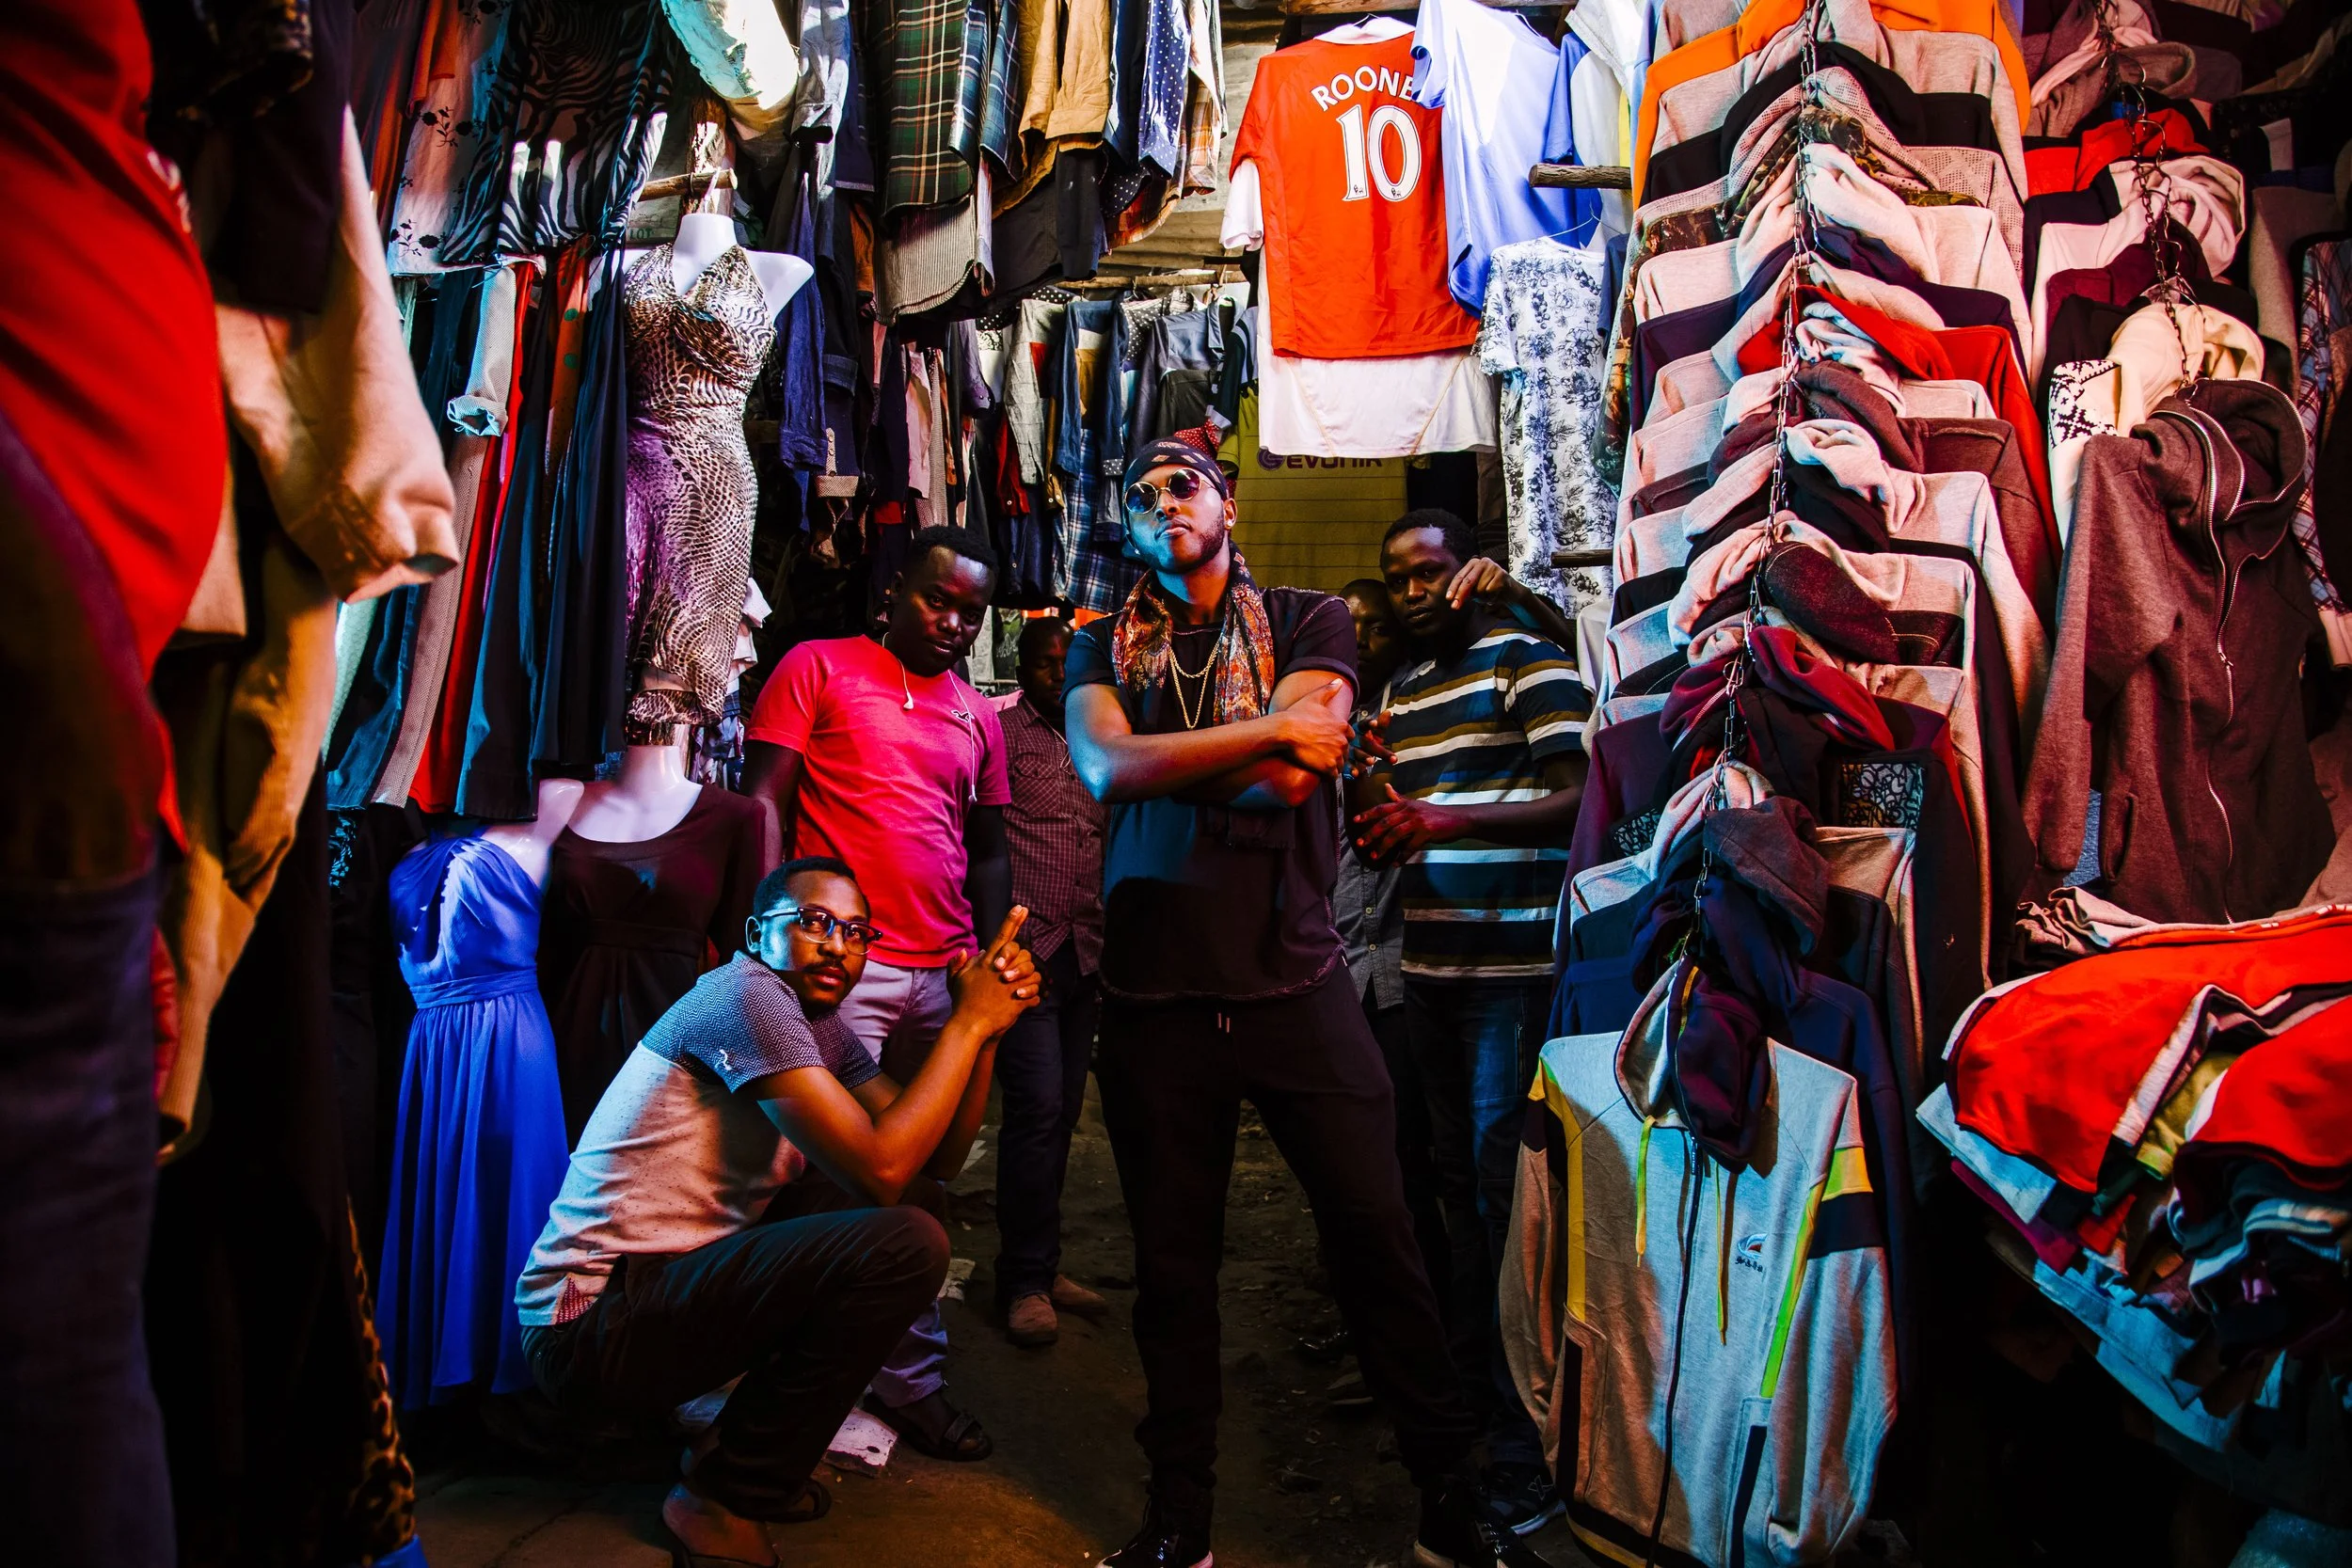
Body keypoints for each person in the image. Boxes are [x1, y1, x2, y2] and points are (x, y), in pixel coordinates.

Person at [1064, 431, 1550, 1568]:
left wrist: (1171, 752)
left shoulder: (1309, 616)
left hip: (1296, 984)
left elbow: (1297, 776)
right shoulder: (1098, 637)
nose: (1160, 503)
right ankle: (1179, 1518)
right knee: (1173, 1271)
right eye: (1139, 496)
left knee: (1380, 1240)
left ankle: (1449, 1502)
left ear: (1226, 501)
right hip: (1153, 1000)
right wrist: (1265, 727)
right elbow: (1101, 769)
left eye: (1181, 483)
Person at [514, 858, 1040, 1568]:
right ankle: (720, 1496)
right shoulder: (747, 996)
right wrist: (965, 1022)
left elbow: (932, 1162)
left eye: (856, 932)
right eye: (816, 922)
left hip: (657, 1294)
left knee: (914, 1203)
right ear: (758, 933)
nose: (838, 946)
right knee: (903, 1236)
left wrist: (983, 1030)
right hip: (587, 1327)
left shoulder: (817, 1023)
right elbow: (881, 1169)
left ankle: (728, 1450)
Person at [740, 523, 1011, 1461]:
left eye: (970, 612)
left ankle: (910, 1381)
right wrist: (770, 942)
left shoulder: (978, 715)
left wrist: (988, 951)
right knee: (819, 1181)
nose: (952, 622)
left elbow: (982, 846)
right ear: (893, 590)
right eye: (939, 599)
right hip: (837, 971)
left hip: (941, 973)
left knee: (923, 1181)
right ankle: (792, 1387)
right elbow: (764, 799)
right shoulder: (816, 667)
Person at [1348, 510, 1590, 1535]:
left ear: (1469, 576)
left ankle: (1516, 1438)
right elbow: (1386, 813)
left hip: (1510, 966)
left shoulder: (1523, 659)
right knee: (1453, 1189)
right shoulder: (1400, 689)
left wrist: (1445, 817)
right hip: (1434, 965)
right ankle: (1464, 1399)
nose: (1414, 590)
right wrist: (1371, 779)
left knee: (1498, 1195)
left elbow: (1577, 797)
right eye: (1398, 575)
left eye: (1431, 571)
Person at [1325, 580, 1449, 1365]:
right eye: (1350, 629)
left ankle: (1422, 1342)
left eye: (1375, 628)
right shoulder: (1325, 726)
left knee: (1413, 1162)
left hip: (1408, 972)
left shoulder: (1409, 723)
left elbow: (1380, 841)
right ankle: (1369, 1328)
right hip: (1344, 972)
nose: (1362, 641)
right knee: (1357, 1163)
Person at [993, 615, 1114, 1347]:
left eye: (1066, 664)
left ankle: (1042, 1262)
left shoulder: (1104, 731)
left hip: (1088, 949)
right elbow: (979, 840)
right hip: (1027, 951)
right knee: (1035, 1109)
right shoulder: (1002, 735)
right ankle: (1022, 1283)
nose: (1055, 674)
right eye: (1043, 663)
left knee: (1064, 1112)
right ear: (1022, 664)